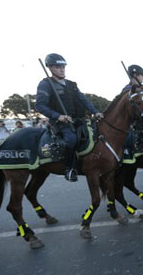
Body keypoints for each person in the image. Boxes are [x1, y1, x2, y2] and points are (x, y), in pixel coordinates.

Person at [35, 53, 104, 182]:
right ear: (49, 68)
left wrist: (95, 111)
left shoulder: (71, 84)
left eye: (63, 67)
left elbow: (84, 100)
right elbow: (40, 106)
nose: (61, 69)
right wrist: (58, 116)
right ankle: (69, 168)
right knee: (71, 139)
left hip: (78, 120)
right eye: (57, 67)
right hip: (60, 122)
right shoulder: (46, 84)